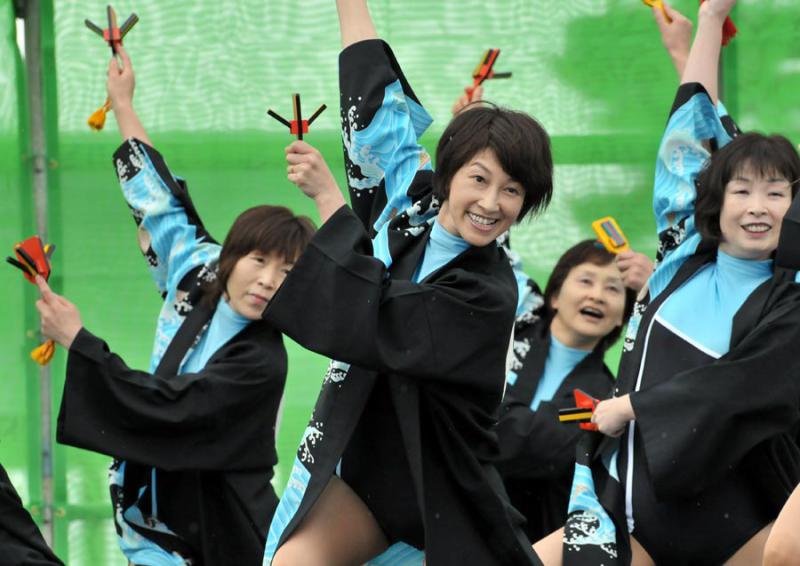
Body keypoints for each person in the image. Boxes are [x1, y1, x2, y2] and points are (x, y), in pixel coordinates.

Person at [260, 1, 554, 563]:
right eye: (479, 178)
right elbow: (374, 100)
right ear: (448, 172)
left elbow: (379, 315)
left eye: (513, 190)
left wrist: (330, 202)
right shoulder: (411, 201)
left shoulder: (488, 293)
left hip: (439, 495)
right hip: (361, 468)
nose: (491, 202)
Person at [535, 1, 800, 564]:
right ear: (716, 199)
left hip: (736, 528)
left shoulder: (790, 297)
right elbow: (691, 129)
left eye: (777, 193)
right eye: (742, 191)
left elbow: (742, 385)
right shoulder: (682, 256)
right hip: (624, 516)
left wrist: (632, 406)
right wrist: (708, 23)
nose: (758, 206)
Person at [37, 46, 316, 566]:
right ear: (231, 256)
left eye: (287, 273)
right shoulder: (199, 272)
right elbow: (159, 203)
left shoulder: (261, 361)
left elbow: (174, 408)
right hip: (151, 515)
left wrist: (79, 342)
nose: (267, 281)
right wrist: (123, 104)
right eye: (259, 260)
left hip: (223, 526)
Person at [494, 239, 637, 542]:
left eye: (613, 289)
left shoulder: (602, 400)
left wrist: (476, 411)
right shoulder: (508, 327)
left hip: (514, 534)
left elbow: (524, 444)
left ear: (621, 318)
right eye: (586, 280)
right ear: (555, 296)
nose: (597, 295)